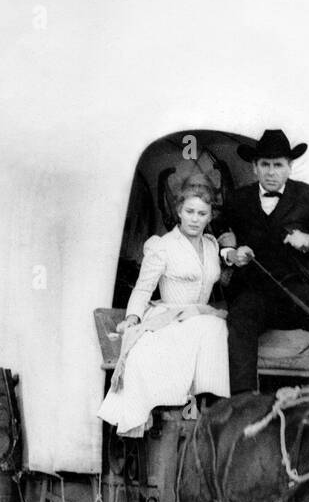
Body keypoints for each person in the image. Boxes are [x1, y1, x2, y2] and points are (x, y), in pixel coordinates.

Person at [217, 128, 309, 395]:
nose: (271, 172)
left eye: (278, 165)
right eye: (264, 164)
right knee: (239, 322)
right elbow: (217, 230)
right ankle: (244, 403)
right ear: (254, 168)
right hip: (253, 291)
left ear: (289, 167)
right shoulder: (237, 200)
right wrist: (229, 251)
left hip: (297, 290)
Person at [98, 185, 230, 437]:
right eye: (189, 211)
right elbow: (143, 288)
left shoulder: (212, 246)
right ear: (179, 211)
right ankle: (181, 404)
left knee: (216, 326)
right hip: (169, 317)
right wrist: (132, 318)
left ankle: (212, 407)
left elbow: (221, 280)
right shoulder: (163, 246)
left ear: (210, 216)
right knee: (209, 328)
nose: (195, 218)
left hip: (201, 314)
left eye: (202, 213)